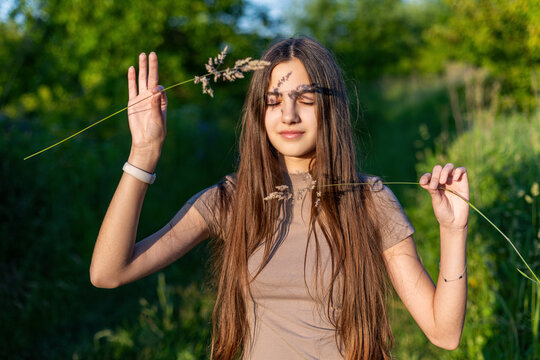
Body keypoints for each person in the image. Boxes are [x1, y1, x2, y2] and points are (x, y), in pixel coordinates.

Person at [90, 37, 469, 360]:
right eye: (274, 101)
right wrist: (143, 154)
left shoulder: (369, 199)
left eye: (304, 99)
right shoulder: (232, 199)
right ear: (260, 112)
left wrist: (453, 231)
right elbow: (109, 273)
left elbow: (444, 333)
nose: (288, 115)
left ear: (330, 107)